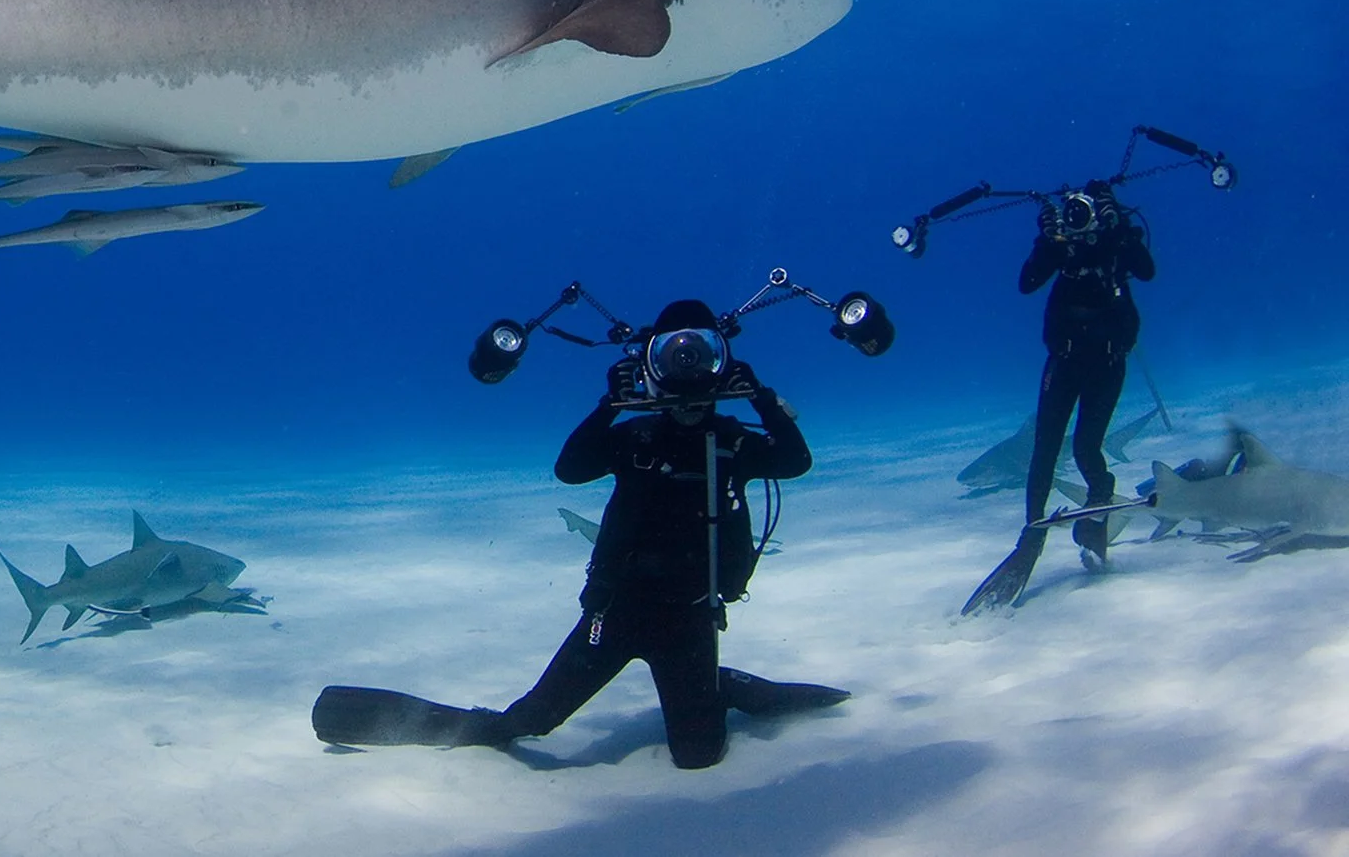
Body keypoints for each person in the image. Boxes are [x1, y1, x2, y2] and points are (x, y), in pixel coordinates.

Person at [310, 300, 845, 767]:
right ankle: (711, 686)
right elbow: (570, 469)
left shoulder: (730, 444)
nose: (687, 366)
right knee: (526, 722)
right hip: (615, 613)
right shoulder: (635, 436)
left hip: (691, 616)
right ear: (651, 364)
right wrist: (607, 405)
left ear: (720, 364)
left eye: (701, 354)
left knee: (699, 756)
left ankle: (725, 685)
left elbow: (795, 461)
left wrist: (762, 400)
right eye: (670, 355)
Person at [963, 181, 1156, 614]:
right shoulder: (1060, 245)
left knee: (1087, 446)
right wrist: (1047, 241)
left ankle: (1098, 500)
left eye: (1086, 212)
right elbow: (1027, 283)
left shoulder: (1115, 239)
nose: (1080, 221)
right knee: (1044, 448)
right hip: (1064, 362)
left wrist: (1120, 227)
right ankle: (1031, 533)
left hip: (1107, 362)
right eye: (1073, 214)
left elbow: (1146, 271)